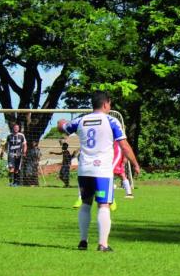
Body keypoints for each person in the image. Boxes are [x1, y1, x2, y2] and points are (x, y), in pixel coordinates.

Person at [58, 91, 140, 252]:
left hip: (84, 169)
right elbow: (124, 145)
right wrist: (135, 164)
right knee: (103, 205)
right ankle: (103, 243)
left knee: (86, 204)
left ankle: (83, 241)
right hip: (102, 170)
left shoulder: (81, 120)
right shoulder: (111, 121)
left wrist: (61, 123)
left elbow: (63, 126)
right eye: (110, 104)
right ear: (105, 104)